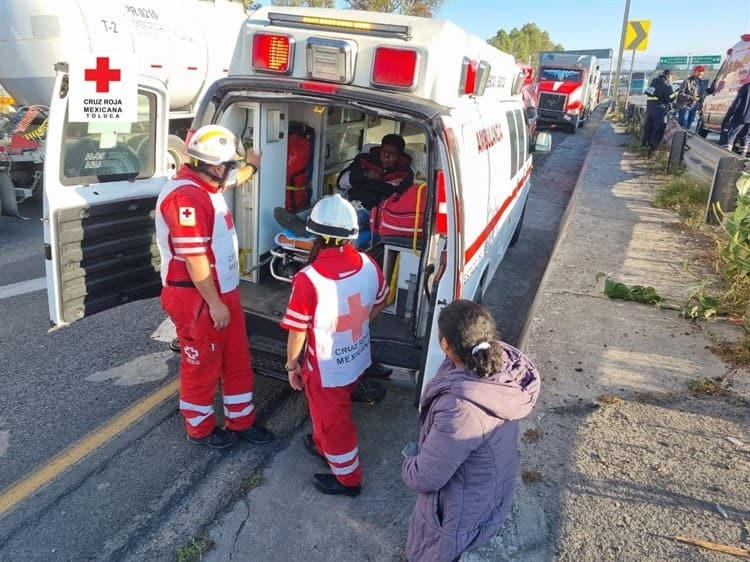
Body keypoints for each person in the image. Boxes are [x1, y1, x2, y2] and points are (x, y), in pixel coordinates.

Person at [155, 124, 274, 449]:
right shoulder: (186, 198)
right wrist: (215, 303)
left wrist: (252, 164)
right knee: (201, 365)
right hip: (196, 298)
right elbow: (194, 259)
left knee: (236, 357)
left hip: (220, 292)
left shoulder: (205, 183)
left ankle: (241, 420)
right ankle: (200, 428)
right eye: (230, 166)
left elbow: (234, 179)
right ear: (216, 166)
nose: (231, 173)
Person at [401, 299, 541, 562]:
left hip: (458, 510)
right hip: (485, 491)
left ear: (445, 344)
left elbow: (425, 478)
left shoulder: (462, 408)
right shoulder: (501, 369)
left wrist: (410, 461)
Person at [280, 194, 389, 496]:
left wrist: (292, 365)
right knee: (329, 417)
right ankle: (321, 444)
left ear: (315, 234)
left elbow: (298, 332)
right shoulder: (368, 264)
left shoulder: (309, 279)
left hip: (326, 369)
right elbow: (381, 300)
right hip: (356, 357)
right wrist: (357, 325)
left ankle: (348, 479)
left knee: (335, 423)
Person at [338, 133, 414, 210]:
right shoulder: (364, 160)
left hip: (383, 213)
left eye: (392, 154)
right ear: (380, 149)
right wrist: (365, 174)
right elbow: (341, 183)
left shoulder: (405, 174)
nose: (386, 156)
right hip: (355, 206)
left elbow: (404, 200)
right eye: (384, 151)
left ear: (399, 156)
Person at [642, 69, 676, 155]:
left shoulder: (653, 81)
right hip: (660, 111)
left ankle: (644, 146)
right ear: (669, 76)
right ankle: (651, 151)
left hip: (650, 109)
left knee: (648, 128)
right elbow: (670, 98)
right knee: (657, 131)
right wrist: (675, 94)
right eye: (672, 77)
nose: (672, 79)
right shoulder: (666, 84)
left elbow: (648, 93)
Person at [719, 81, 750, 156]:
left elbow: (736, 103)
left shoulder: (746, 87)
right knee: (745, 138)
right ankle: (741, 159)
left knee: (730, 136)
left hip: (740, 117)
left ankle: (726, 158)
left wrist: (728, 116)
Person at [676, 65, 707, 131]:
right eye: (698, 71)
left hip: (694, 108)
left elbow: (702, 96)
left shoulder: (701, 83)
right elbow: (680, 94)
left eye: (702, 72)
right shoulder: (687, 81)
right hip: (685, 107)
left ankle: (684, 140)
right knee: (682, 128)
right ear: (695, 72)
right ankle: (678, 140)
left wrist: (700, 108)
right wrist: (691, 98)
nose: (700, 73)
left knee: (687, 129)